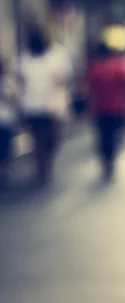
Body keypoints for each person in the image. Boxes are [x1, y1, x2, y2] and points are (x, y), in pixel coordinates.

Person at [18, 26, 71, 186]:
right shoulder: (25, 59)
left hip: (52, 107)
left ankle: (45, 162)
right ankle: (42, 168)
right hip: (32, 106)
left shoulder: (57, 55)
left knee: (53, 138)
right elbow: (20, 81)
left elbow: (65, 77)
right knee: (38, 139)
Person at [86, 26, 125, 182]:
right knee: (115, 136)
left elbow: (90, 90)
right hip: (119, 108)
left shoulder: (96, 68)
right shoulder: (123, 67)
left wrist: (90, 109)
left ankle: (107, 162)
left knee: (104, 137)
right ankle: (111, 162)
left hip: (101, 109)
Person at [0, 59, 18, 186]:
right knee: (6, 148)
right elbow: (14, 98)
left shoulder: (7, 82)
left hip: (6, 120)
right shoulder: (7, 82)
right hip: (5, 120)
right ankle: (4, 171)